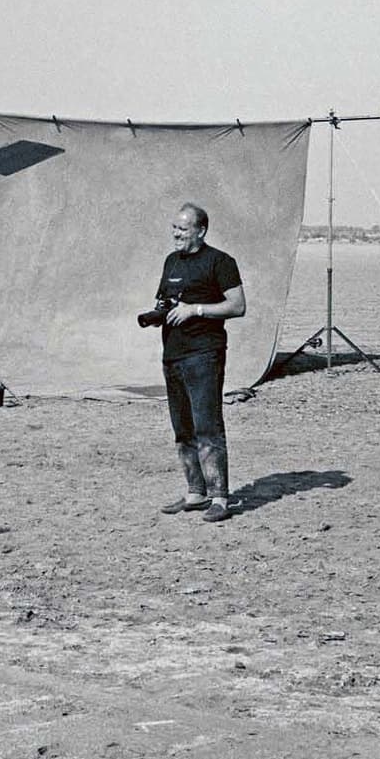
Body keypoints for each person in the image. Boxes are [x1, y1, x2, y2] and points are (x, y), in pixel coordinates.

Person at [148, 203, 246, 523]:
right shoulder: (171, 261)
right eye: (174, 228)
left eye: (183, 228)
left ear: (201, 230)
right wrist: (159, 312)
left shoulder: (220, 262)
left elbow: (237, 306)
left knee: (208, 428)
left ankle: (220, 497)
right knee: (183, 430)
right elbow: (165, 299)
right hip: (173, 355)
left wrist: (196, 310)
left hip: (204, 355)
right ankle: (195, 493)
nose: (176, 233)